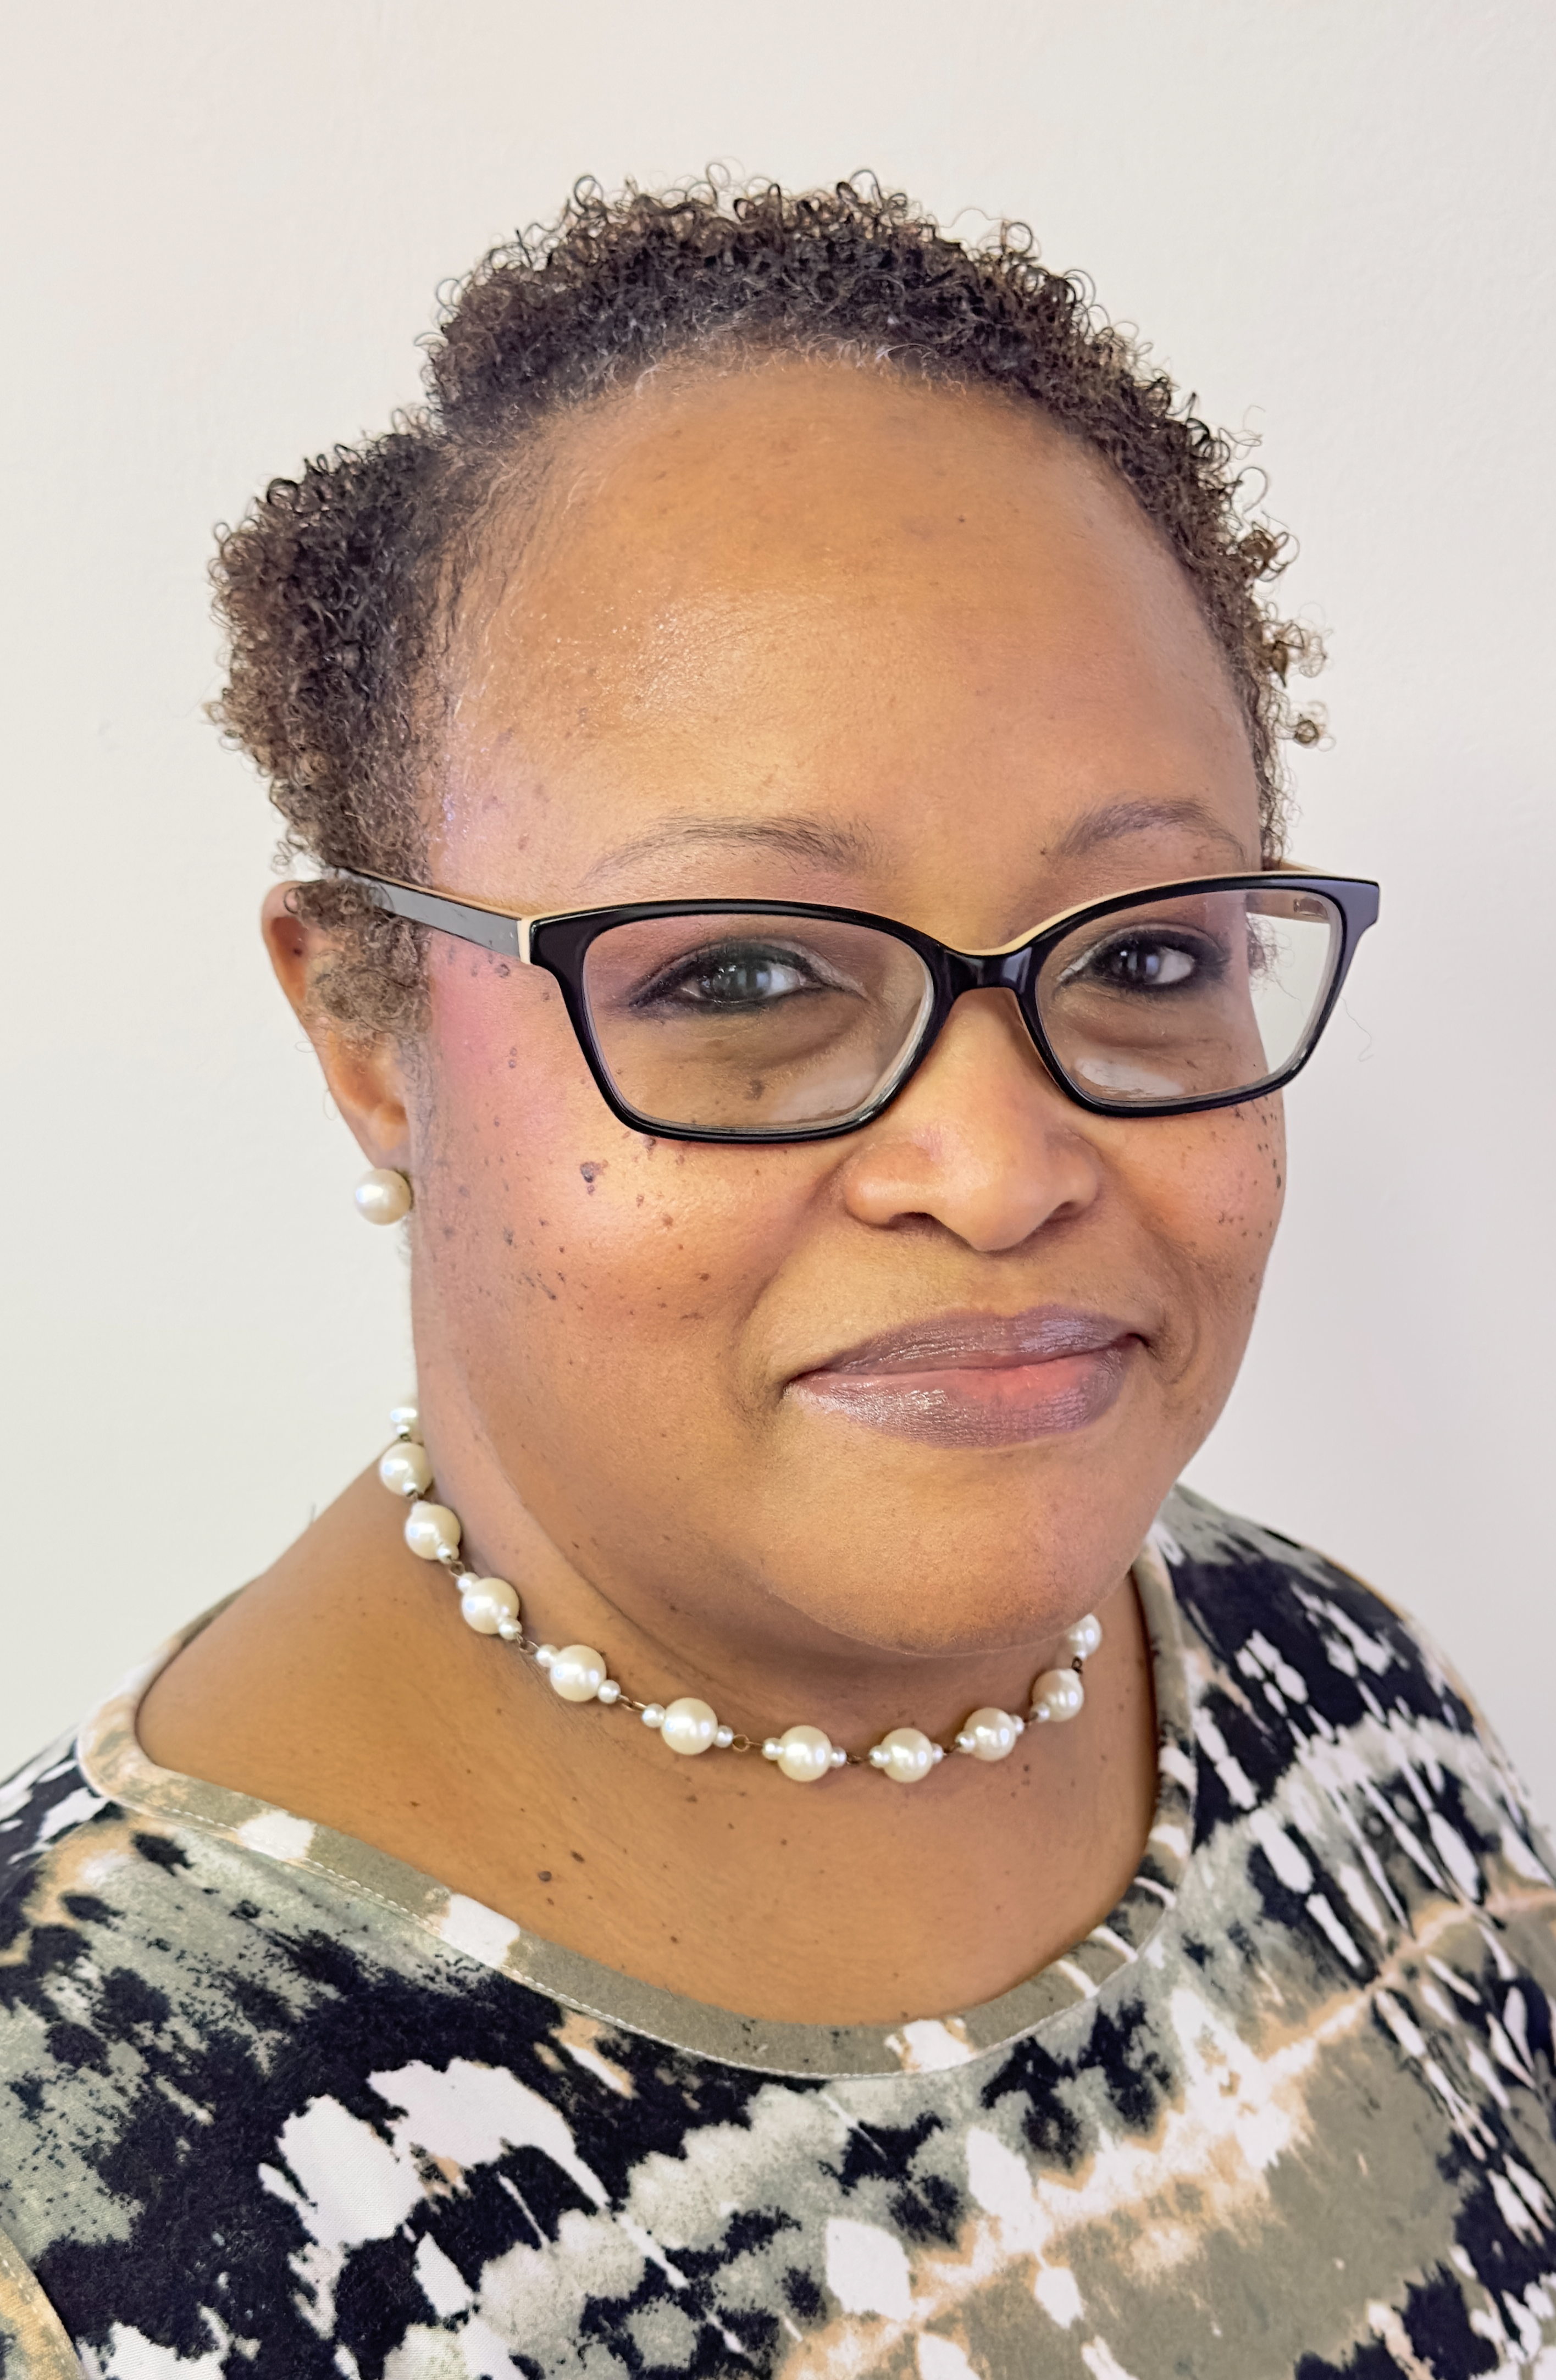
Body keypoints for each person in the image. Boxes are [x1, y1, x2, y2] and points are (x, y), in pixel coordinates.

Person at [1, 177, 1550, 2380]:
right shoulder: (88, 2193)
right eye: (740, 972)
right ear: (365, 1026)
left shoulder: (1338, 1708)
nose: (998, 1162)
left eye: (1142, 953)